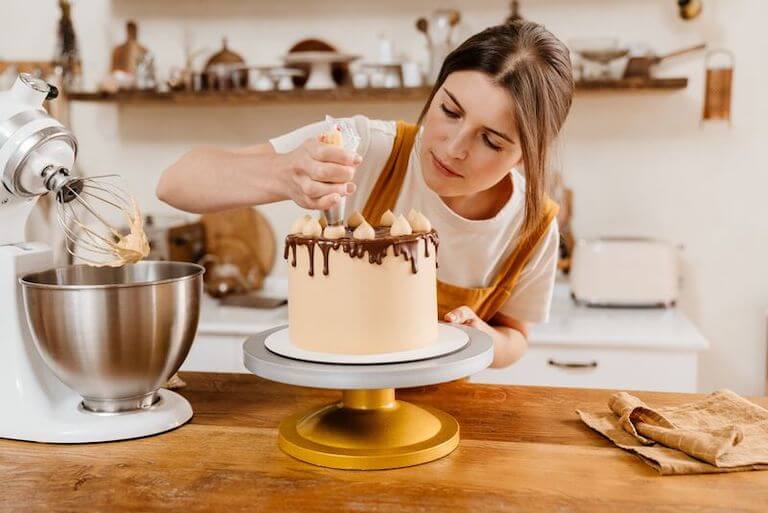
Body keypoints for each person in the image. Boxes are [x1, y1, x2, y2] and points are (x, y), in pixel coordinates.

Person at [157, 20, 574, 368]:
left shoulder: (531, 225)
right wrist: (283, 172)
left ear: (526, 155)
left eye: (492, 141)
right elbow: (176, 183)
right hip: (325, 397)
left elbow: (515, 336)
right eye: (449, 111)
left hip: (448, 417)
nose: (453, 147)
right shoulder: (364, 147)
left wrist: (483, 337)